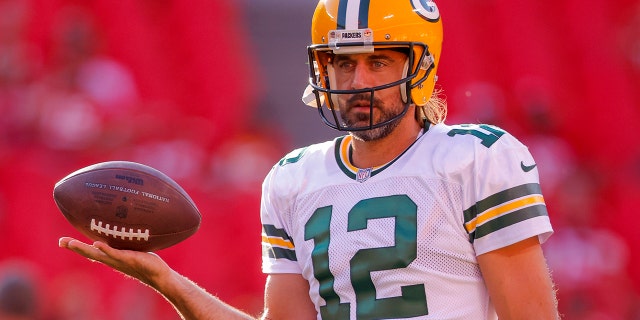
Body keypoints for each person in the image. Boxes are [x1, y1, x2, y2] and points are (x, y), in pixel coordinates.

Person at [59, 0, 559, 319]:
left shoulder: (474, 159)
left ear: (419, 66)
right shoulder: (293, 179)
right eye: (343, 62)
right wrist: (166, 280)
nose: (358, 81)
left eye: (378, 60)